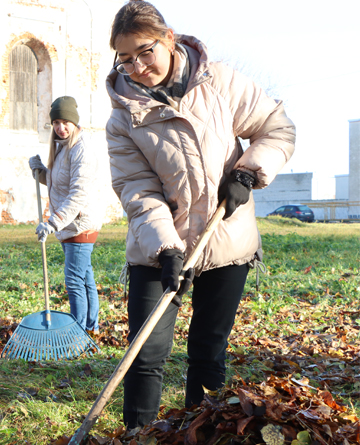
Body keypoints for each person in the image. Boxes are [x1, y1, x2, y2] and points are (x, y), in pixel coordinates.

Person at [105, 1, 295, 429]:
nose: (136, 66)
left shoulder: (220, 83)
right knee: (145, 353)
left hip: (225, 240)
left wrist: (247, 174)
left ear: (169, 39)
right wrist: (167, 248)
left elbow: (277, 127)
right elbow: (138, 189)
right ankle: (139, 435)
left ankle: (199, 432)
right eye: (125, 58)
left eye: (145, 51)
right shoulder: (123, 117)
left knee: (208, 350)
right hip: (158, 248)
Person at [28, 96, 103, 334]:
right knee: (84, 277)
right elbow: (58, 183)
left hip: (79, 224)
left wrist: (53, 222)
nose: (61, 127)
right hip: (70, 225)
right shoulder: (61, 147)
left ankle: (78, 331)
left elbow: (78, 193)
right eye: (56, 123)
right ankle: (90, 326)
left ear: (75, 122)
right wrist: (39, 171)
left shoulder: (81, 149)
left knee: (74, 280)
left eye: (65, 122)